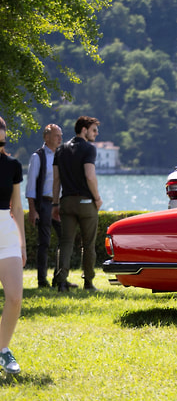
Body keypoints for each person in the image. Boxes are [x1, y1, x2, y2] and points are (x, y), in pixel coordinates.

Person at [52, 116, 103, 292]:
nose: (96, 133)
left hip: (66, 201)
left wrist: (55, 204)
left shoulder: (60, 150)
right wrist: (97, 198)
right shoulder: (89, 149)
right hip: (85, 202)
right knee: (88, 244)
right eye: (94, 130)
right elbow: (90, 175)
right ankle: (88, 283)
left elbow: (56, 180)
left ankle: (61, 283)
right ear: (84, 130)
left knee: (65, 242)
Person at [0, 116, 26, 374]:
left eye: (3, 128)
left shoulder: (12, 165)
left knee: (15, 297)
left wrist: (22, 244)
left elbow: (17, 206)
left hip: (6, 232)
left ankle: (3, 349)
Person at [26, 124, 65, 289]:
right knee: (45, 243)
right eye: (57, 135)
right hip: (44, 204)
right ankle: (42, 281)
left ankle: (59, 277)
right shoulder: (38, 157)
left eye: (60, 135)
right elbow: (30, 186)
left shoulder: (62, 155)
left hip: (59, 204)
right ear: (47, 137)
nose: (60, 139)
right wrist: (32, 210)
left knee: (65, 240)